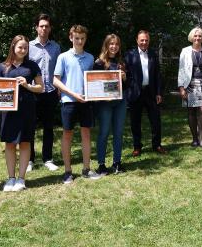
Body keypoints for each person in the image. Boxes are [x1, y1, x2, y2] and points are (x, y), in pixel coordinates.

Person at [53, 25, 101, 183]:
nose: (79, 41)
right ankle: (67, 172)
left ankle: (86, 169)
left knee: (86, 134)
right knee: (67, 135)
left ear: (85, 39)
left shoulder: (90, 57)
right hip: (69, 102)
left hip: (86, 102)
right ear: (71, 38)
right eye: (77, 38)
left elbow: (92, 81)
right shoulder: (63, 57)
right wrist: (73, 94)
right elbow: (55, 80)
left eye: (82, 38)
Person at [0, 35, 44, 192]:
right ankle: (11, 178)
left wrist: (27, 85)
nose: (23, 50)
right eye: (20, 47)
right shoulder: (2, 67)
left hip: (27, 110)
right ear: (13, 47)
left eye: (25, 48)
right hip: (8, 111)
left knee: (25, 143)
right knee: (9, 143)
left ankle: (21, 179)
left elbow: (41, 88)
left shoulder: (32, 66)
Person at [28, 13, 61, 172]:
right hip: (33, 92)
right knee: (30, 127)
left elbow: (58, 71)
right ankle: (29, 160)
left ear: (50, 28)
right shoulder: (28, 46)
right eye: (41, 26)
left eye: (47, 26)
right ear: (36, 28)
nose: (44, 28)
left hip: (50, 92)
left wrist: (59, 89)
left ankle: (48, 158)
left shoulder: (56, 47)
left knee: (48, 127)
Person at [124, 30, 166, 157]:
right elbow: (126, 74)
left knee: (155, 120)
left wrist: (159, 92)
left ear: (149, 41)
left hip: (151, 92)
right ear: (137, 40)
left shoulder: (153, 54)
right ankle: (137, 147)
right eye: (142, 40)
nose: (144, 42)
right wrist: (130, 88)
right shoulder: (129, 54)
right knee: (135, 121)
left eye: (146, 40)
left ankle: (157, 145)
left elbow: (157, 75)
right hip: (136, 93)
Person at [93, 34, 128, 175]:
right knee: (104, 132)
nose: (114, 46)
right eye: (111, 44)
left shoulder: (122, 62)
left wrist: (125, 78)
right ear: (106, 45)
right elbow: (94, 84)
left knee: (119, 132)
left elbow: (127, 84)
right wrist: (102, 96)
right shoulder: (99, 63)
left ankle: (117, 162)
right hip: (105, 104)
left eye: (116, 44)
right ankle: (101, 164)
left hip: (120, 102)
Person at [178, 27, 202, 148]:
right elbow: (181, 70)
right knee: (191, 111)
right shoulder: (185, 51)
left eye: (199, 36)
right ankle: (194, 139)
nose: (197, 38)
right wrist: (181, 87)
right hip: (189, 84)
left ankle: (201, 139)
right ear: (191, 37)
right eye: (195, 36)